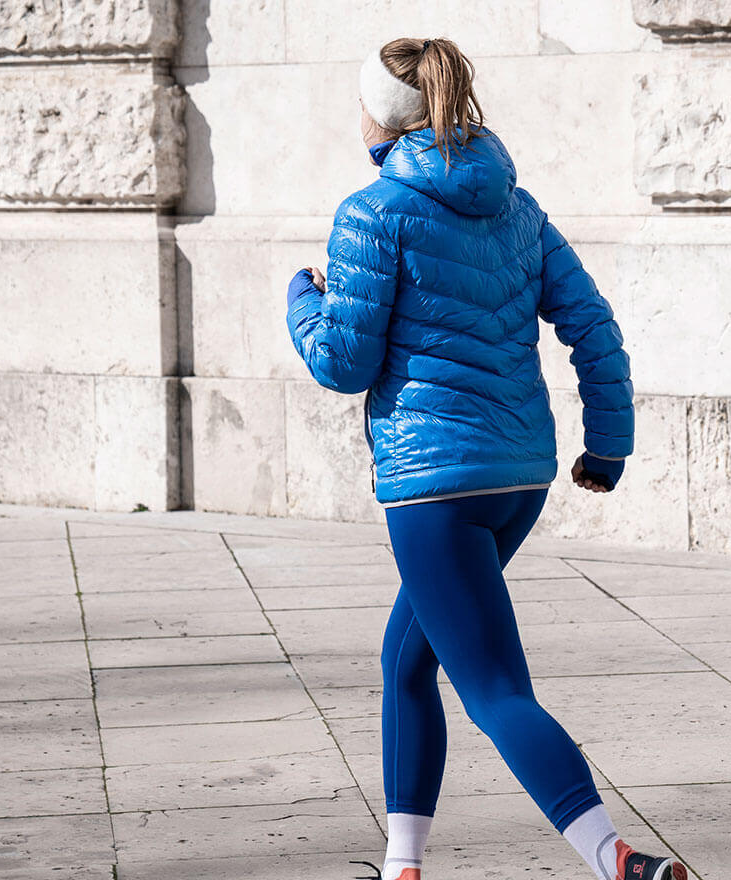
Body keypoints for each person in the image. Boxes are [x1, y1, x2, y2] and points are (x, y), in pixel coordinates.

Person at [283, 34, 685, 880]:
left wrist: (301, 303)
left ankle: (618, 860)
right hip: (518, 478)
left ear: (381, 119)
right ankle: (403, 863)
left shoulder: (373, 213)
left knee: (496, 691)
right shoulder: (519, 207)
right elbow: (594, 329)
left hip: (434, 484)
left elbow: (343, 363)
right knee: (405, 661)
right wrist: (606, 446)